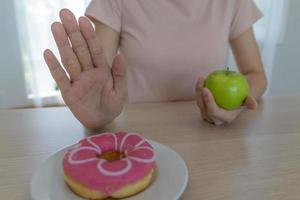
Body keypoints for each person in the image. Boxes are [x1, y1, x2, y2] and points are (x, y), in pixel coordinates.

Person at [43, 0, 267, 128]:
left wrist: (235, 104)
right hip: (137, 138)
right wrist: (100, 113)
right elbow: (99, 79)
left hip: (209, 138)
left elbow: (255, 75)